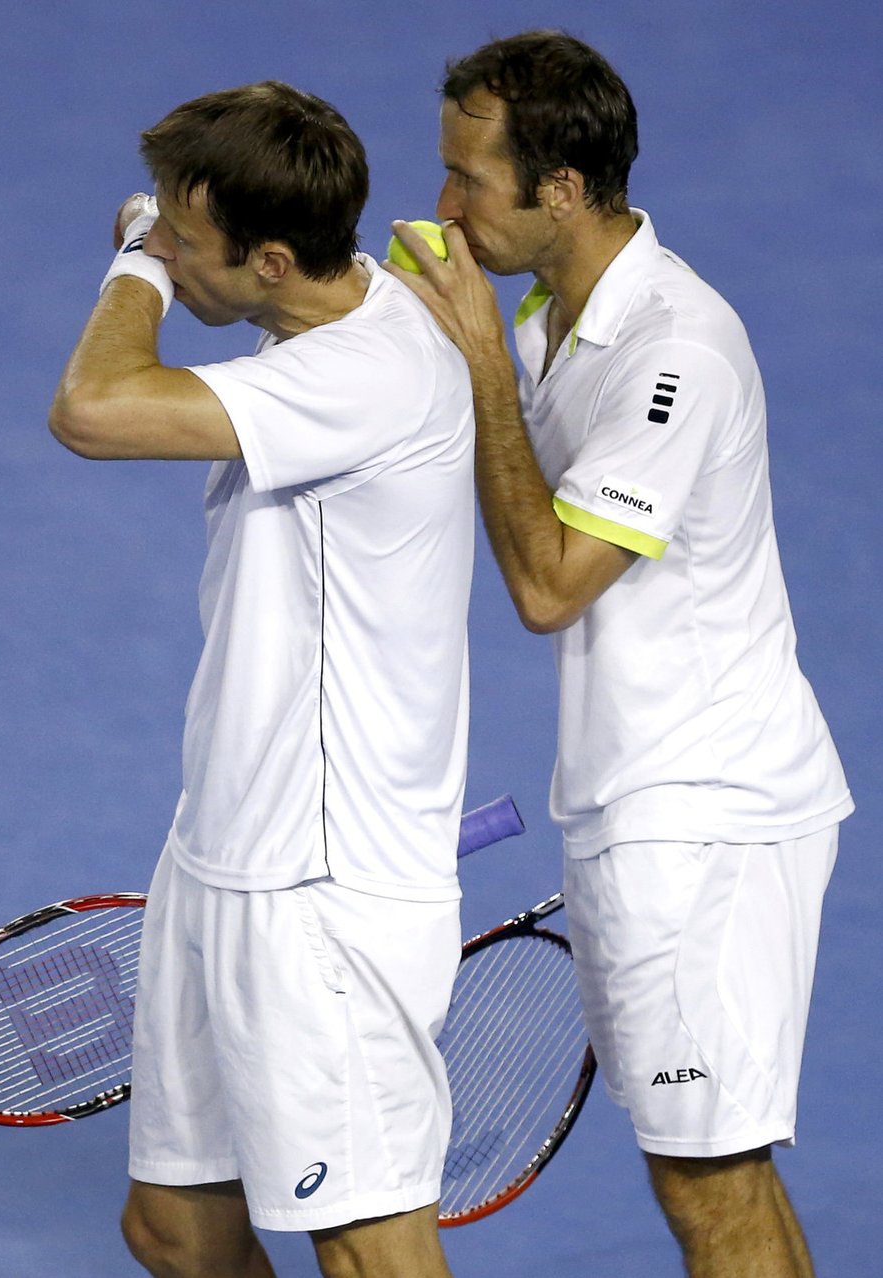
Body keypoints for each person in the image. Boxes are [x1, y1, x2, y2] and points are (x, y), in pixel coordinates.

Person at [386, 30, 853, 1278]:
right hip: (633, 796)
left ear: (564, 191)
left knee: (712, 1183)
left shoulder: (672, 352)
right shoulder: (554, 313)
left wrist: (478, 361)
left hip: (704, 813)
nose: (443, 208)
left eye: (468, 182)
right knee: (709, 1167)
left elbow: (548, 587)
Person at [49, 81, 475, 1278]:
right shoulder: (317, 326)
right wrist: (174, 241)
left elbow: (94, 406)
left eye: (191, 242)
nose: (171, 252)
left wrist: (136, 264)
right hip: (226, 848)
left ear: (275, 259)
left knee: (368, 1245)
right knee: (176, 1231)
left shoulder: (368, 374)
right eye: (167, 228)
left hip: (320, 884)